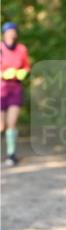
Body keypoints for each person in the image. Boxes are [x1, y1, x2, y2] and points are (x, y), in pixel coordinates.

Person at [1, 22, 31, 167]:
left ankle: (11, 154)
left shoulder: (21, 49)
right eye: (8, 31)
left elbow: (26, 66)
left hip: (15, 89)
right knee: (1, 125)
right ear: (4, 34)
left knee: (12, 122)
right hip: (1, 89)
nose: (11, 34)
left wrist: (22, 73)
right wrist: (3, 74)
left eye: (13, 31)